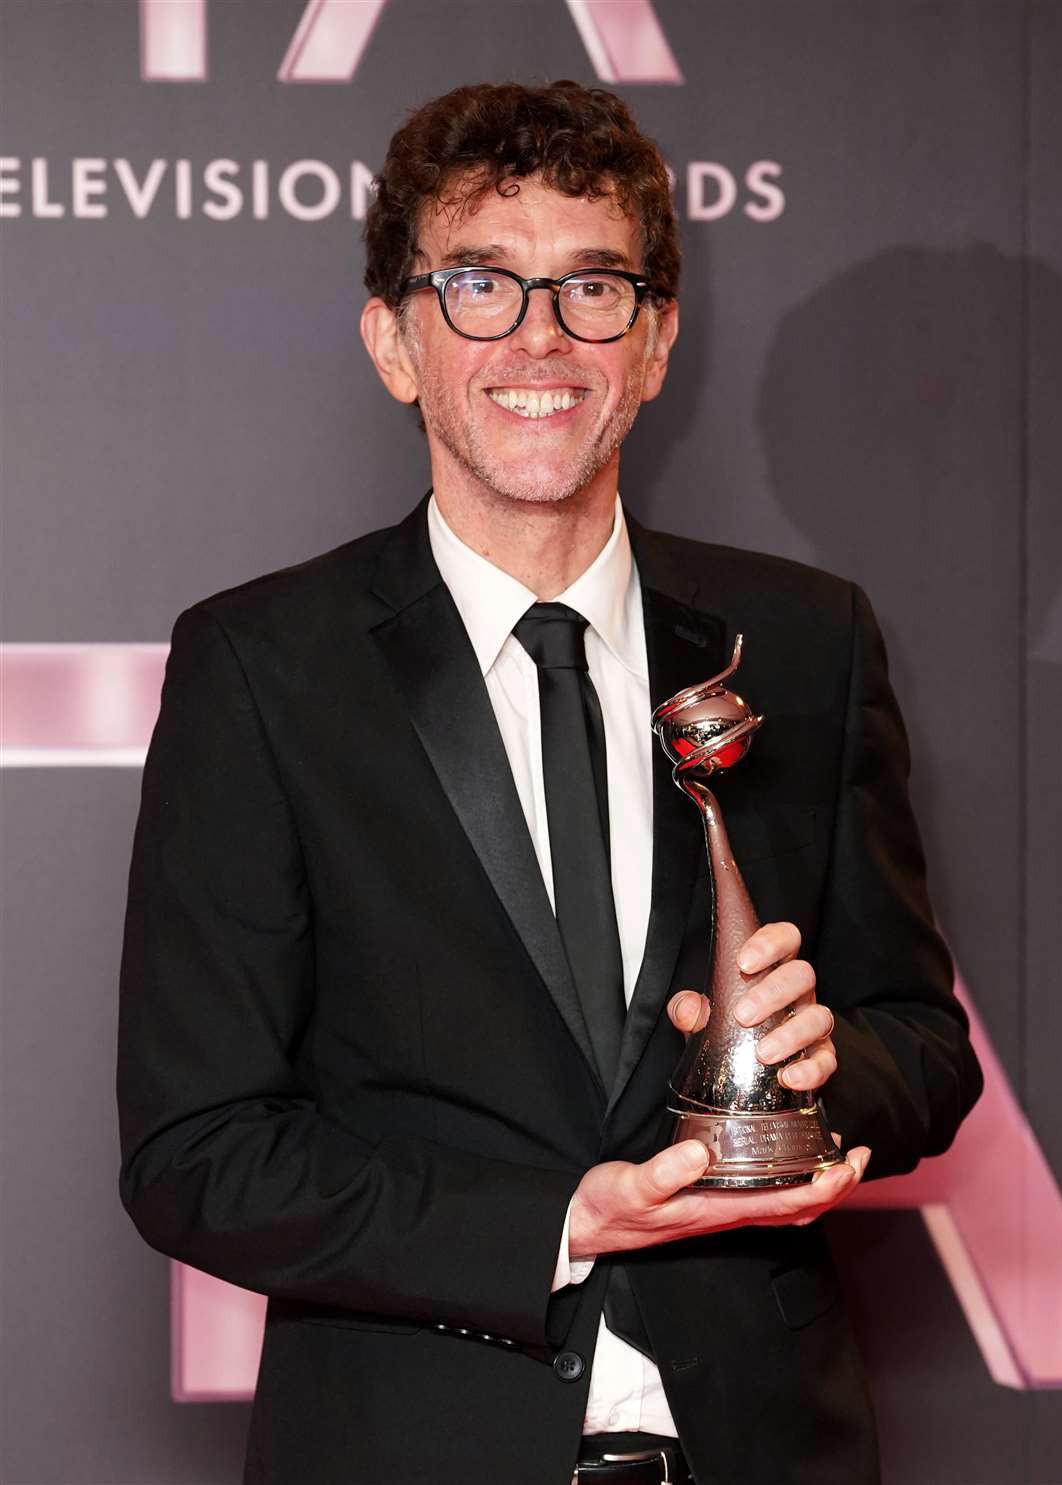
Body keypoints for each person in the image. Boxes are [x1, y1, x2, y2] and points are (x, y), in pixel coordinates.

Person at [117, 81, 982, 1485]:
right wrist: (558, 1217)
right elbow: (195, 1149)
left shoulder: (808, 639)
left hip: (765, 1446)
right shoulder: (263, 668)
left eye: (593, 287)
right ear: (394, 343)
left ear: (652, 346)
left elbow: (921, 1046)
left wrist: (822, 1073)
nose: (540, 336)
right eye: (478, 285)